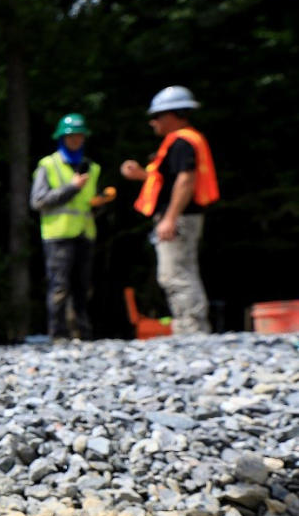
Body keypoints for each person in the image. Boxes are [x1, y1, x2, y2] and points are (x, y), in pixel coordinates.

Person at [120, 86, 220, 335]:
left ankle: (191, 330)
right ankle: (190, 328)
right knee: (181, 271)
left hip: (180, 218)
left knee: (176, 274)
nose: (152, 122)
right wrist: (141, 175)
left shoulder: (182, 142)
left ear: (172, 115)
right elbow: (167, 181)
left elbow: (186, 180)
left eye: (157, 116)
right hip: (183, 216)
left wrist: (170, 218)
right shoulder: (182, 141)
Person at [30, 113, 103, 339]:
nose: (75, 140)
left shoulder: (92, 167)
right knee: (59, 287)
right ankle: (58, 334)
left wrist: (99, 203)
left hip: (85, 232)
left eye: (79, 136)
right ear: (62, 138)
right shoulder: (48, 165)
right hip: (57, 235)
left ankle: (82, 333)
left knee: (82, 287)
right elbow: (38, 201)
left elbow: (88, 204)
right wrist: (71, 188)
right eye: (71, 136)